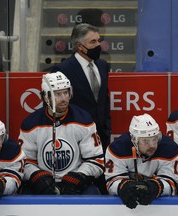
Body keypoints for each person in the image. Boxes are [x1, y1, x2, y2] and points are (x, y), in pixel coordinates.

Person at [18, 72, 104, 195]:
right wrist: (37, 177)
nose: (64, 98)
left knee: (93, 195)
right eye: (57, 94)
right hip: (42, 184)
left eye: (66, 93)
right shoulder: (31, 123)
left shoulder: (83, 120)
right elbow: (24, 162)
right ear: (46, 97)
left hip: (75, 184)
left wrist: (79, 177)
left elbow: (96, 160)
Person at [51, 23, 111, 195]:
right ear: (79, 46)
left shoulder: (102, 65)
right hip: (76, 137)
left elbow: (103, 100)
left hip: (101, 136)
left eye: (99, 40)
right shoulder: (62, 70)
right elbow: (58, 106)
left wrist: (106, 126)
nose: (98, 45)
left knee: (101, 185)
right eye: (93, 42)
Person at [105, 113, 178, 209]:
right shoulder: (117, 149)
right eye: (145, 141)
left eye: (155, 139)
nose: (152, 145)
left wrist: (155, 187)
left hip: (162, 207)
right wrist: (124, 187)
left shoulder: (171, 150)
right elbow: (112, 181)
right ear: (134, 139)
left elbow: (171, 183)